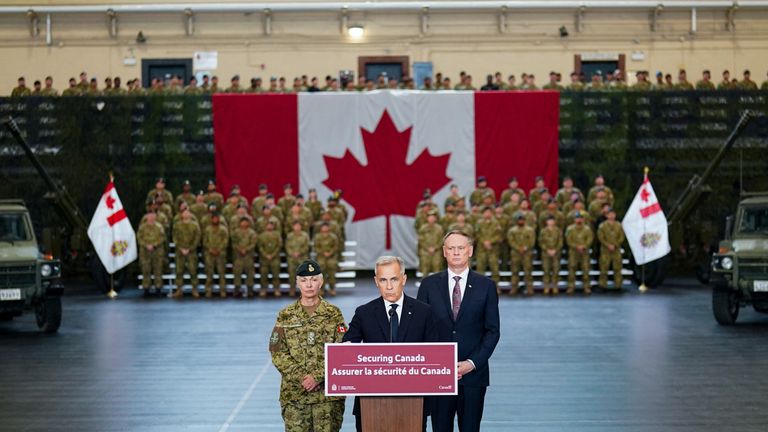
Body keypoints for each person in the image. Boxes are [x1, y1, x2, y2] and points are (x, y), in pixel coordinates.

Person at [417, 231, 500, 432]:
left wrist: (471, 364)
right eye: (451, 248)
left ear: (469, 251)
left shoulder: (486, 286)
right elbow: (420, 328)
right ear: (444, 252)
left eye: (460, 248)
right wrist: (437, 363)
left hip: (473, 375)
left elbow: (492, 331)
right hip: (438, 375)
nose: (456, 252)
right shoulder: (428, 285)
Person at [343, 255, 436, 432]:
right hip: (371, 401)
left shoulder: (423, 312)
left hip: (413, 401)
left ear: (404, 279)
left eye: (394, 279)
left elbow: (435, 353)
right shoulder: (364, 312)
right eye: (383, 280)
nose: (389, 286)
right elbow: (348, 347)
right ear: (376, 281)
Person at [270, 260, 347, 432]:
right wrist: (303, 378)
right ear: (297, 283)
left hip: (327, 398)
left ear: (321, 282)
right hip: (295, 396)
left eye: (313, 279)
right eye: (304, 280)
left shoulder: (333, 314)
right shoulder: (285, 315)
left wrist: (318, 376)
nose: (309, 285)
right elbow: (277, 352)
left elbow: (341, 350)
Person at [172, 209, 201, 298]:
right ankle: (179, 290)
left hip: (191, 251)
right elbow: (174, 237)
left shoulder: (195, 225)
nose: (186, 214)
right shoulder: (177, 225)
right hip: (180, 251)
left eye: (188, 213)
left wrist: (190, 248)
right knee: (179, 270)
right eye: (184, 213)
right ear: (181, 215)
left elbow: (197, 237)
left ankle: (194, 289)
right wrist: (181, 247)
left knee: (193, 270)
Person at [137, 212, 166, 297]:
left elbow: (162, 237)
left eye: (153, 216)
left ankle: (158, 288)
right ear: (146, 217)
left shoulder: (159, 227)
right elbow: (139, 237)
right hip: (145, 251)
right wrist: (146, 245)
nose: (151, 217)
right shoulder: (142, 227)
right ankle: (146, 288)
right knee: (146, 269)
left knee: (158, 270)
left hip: (157, 251)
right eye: (149, 216)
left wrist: (153, 245)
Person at [507, 212, 536, 296]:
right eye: (519, 220)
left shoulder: (530, 230)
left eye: (522, 220)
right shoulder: (512, 230)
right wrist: (518, 248)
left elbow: (532, 241)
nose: (521, 221)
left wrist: (525, 248)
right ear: (517, 221)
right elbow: (511, 241)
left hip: (527, 253)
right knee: (515, 271)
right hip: (515, 253)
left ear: (524, 220)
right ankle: (514, 288)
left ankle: (529, 288)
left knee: (528, 271)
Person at [597, 208, 625, 291]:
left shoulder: (619, 225)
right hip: (605, 250)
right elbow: (600, 237)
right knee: (604, 267)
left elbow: (621, 237)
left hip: (616, 250)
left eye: (613, 214)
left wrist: (615, 245)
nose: (611, 216)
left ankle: (618, 285)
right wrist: (608, 245)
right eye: (609, 214)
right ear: (606, 215)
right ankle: (602, 285)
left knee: (617, 268)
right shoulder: (602, 226)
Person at [566, 212, 594, 295]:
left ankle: (586, 287)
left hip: (584, 252)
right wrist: (576, 246)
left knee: (585, 269)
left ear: (583, 219)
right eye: (577, 218)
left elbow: (590, 239)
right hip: (573, 252)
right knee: (572, 269)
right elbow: (568, 240)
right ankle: (571, 287)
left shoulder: (587, 229)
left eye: (580, 218)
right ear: (574, 219)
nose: (579, 219)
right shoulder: (570, 229)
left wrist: (584, 246)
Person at [203, 213, 229, 298]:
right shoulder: (207, 229)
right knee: (209, 273)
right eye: (213, 218)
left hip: (220, 253)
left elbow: (225, 241)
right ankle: (208, 291)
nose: (215, 220)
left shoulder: (223, 229)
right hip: (209, 253)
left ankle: (223, 291)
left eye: (216, 218)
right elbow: (204, 241)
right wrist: (210, 249)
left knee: (221, 273)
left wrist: (219, 249)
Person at [538, 215, 563, 295]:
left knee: (556, 270)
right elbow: (541, 242)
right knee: (546, 270)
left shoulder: (558, 231)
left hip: (556, 253)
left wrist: (555, 249)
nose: (551, 222)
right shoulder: (543, 231)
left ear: (554, 222)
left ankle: (555, 286)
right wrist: (547, 249)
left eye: (552, 220)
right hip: (546, 253)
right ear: (547, 222)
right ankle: (547, 286)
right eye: (549, 221)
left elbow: (560, 242)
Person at [258, 218, 283, 297]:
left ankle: (276, 289)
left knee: (275, 274)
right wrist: (266, 255)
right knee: (263, 275)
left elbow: (279, 245)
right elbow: (260, 246)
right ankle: (263, 289)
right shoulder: (261, 235)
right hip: (264, 258)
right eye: (268, 225)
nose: (269, 226)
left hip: (274, 257)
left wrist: (272, 255)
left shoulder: (277, 234)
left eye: (271, 225)